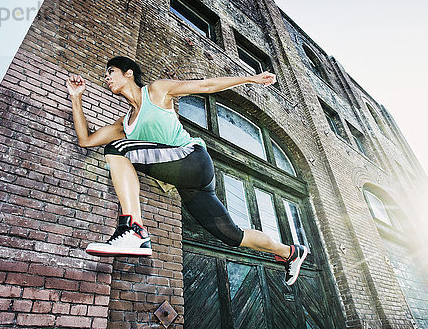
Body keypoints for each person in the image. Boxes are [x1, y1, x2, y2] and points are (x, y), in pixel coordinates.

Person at [66, 56, 307, 285]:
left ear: (128, 73)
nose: (106, 77)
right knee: (231, 235)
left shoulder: (157, 91)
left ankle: (133, 229)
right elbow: (86, 140)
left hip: (193, 159)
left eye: (111, 72)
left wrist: (249, 79)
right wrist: (76, 98)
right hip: (191, 184)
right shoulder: (125, 123)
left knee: (116, 149)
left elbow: (207, 85)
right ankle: (290, 252)